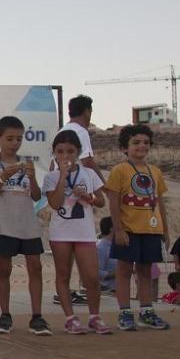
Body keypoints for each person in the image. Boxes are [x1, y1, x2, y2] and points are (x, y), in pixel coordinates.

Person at [0, 116, 50, 335]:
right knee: (4, 268)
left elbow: (36, 197)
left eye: (19, 139)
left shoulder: (27, 162)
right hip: (5, 224)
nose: (15, 143)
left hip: (28, 224)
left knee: (35, 267)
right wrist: (3, 177)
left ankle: (37, 316)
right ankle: (5, 315)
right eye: (10, 138)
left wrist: (31, 179)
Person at [43, 130, 111, 334]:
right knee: (63, 275)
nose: (66, 156)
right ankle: (70, 318)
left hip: (84, 232)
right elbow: (54, 204)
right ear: (54, 153)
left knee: (91, 277)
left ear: (78, 152)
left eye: (70, 151)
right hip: (61, 233)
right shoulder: (51, 177)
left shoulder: (89, 174)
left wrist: (88, 196)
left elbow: (101, 200)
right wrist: (63, 176)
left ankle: (94, 316)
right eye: (60, 151)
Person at [105, 124, 170, 331]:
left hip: (151, 229)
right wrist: (118, 229)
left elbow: (160, 203)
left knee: (145, 271)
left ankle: (146, 311)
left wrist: (165, 231)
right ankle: (125, 313)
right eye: (136, 143)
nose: (141, 146)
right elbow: (113, 202)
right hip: (128, 229)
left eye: (145, 142)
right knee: (124, 270)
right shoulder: (119, 170)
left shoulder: (155, 172)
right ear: (125, 147)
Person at [60, 94, 103, 179]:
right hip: (76, 184)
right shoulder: (80, 132)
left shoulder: (61, 132)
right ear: (87, 111)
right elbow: (87, 162)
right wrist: (104, 186)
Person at [96, 216, 118, 292]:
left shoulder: (118, 245)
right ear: (111, 228)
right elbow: (96, 272)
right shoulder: (100, 247)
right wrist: (116, 273)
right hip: (107, 293)